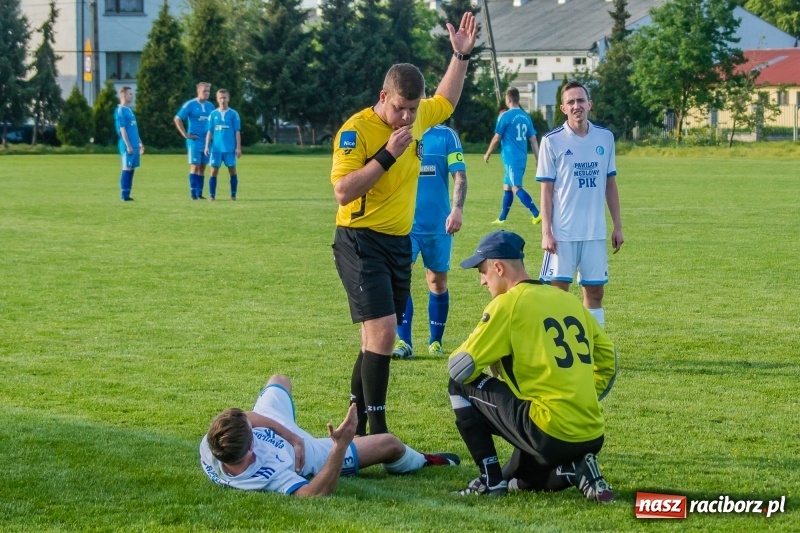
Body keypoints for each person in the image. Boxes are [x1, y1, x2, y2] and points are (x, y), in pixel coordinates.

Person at [329, 12, 477, 437]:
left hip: (397, 242)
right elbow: (343, 191)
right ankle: (378, 432)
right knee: (383, 334)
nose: (408, 118)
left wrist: (460, 56)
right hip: (360, 241)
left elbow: (446, 100)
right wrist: (388, 155)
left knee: (374, 339)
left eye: (413, 109)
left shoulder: (418, 117)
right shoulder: (356, 131)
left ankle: (357, 428)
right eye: (399, 108)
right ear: (384, 97)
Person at [447, 230, 617, 502]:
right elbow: (609, 358)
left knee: (458, 385)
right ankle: (575, 470)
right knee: (518, 480)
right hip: (591, 432)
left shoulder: (507, 304)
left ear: (498, 268)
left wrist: (489, 350)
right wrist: (581, 396)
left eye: (482, 271)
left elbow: (459, 367)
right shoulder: (567, 299)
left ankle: (490, 480)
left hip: (548, 429)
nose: (482, 281)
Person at [199, 374, 460, 496]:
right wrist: (340, 446)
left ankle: (305, 435)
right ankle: (424, 460)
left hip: (280, 427)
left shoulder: (213, 443)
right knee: (389, 444)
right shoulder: (267, 476)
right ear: (250, 450)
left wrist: (293, 438)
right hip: (313, 451)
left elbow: (249, 417)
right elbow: (313, 494)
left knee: (279, 380)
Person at [535, 80, 624, 329]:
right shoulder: (551, 141)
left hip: (594, 232)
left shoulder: (605, 137)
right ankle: (556, 347)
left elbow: (610, 184)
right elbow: (546, 190)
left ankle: (594, 346)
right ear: (563, 108)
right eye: (571, 102)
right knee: (556, 294)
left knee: (595, 293)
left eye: (581, 100)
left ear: (590, 104)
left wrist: (618, 226)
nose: (577, 106)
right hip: (562, 233)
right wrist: (546, 232)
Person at [393, 124, 468, 360]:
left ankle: (435, 341)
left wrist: (457, 209)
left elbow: (459, 175)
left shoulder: (446, 135)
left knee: (437, 281)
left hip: (438, 224)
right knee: (400, 278)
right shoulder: (398, 131)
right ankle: (404, 342)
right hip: (405, 223)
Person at [483, 87, 541, 225]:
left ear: (508, 99)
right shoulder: (525, 117)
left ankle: (537, 213)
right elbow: (533, 139)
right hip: (521, 157)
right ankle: (502, 218)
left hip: (511, 158)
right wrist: (538, 159)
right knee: (507, 186)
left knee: (516, 187)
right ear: (518, 99)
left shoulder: (505, 116)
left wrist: (488, 153)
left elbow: (497, 138)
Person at [174, 82, 214, 200]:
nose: (206, 93)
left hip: (206, 142)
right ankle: (193, 193)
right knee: (195, 166)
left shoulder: (211, 106)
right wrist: (185, 134)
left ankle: (199, 193)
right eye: (204, 91)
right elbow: (177, 118)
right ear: (198, 91)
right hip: (194, 140)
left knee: (202, 167)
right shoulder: (190, 104)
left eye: (208, 91)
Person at [205, 89, 242, 201]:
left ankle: (233, 195)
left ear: (228, 99)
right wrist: (206, 146)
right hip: (216, 149)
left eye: (225, 97)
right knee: (213, 171)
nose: (223, 100)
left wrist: (238, 147)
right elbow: (210, 131)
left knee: (232, 170)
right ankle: (212, 196)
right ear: (217, 99)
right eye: (220, 98)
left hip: (229, 148)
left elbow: (237, 131)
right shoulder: (213, 114)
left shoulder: (233, 114)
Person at [115, 86, 143, 202]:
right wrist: (128, 145)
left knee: (132, 169)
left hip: (135, 144)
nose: (132, 96)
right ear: (123, 95)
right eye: (130, 94)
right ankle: (124, 195)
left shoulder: (129, 110)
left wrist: (140, 143)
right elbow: (122, 129)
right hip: (127, 145)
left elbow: (134, 128)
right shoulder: (120, 110)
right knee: (126, 168)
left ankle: (128, 194)